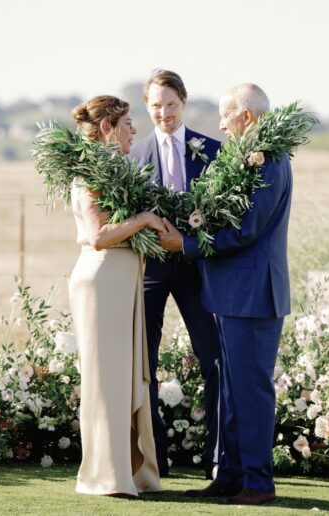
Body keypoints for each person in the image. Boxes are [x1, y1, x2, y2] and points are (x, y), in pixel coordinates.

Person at [160, 83, 293, 505]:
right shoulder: (246, 158)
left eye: (225, 115)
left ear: (247, 117)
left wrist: (186, 244)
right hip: (231, 293)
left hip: (253, 295)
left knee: (250, 391)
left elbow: (246, 230)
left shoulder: (268, 160)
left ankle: (258, 483)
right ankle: (231, 475)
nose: (219, 125)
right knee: (232, 391)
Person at [129, 70, 222, 478]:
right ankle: (156, 459)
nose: (163, 113)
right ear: (147, 107)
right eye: (155, 106)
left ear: (183, 102)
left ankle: (219, 460)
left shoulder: (214, 152)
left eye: (170, 104)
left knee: (215, 359)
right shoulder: (133, 157)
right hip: (149, 271)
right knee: (143, 363)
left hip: (198, 269)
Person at [69, 95, 163, 498]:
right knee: (107, 381)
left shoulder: (115, 168)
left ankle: (128, 467)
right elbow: (99, 235)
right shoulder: (89, 171)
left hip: (122, 285)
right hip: (102, 285)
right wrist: (143, 219)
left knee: (124, 379)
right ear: (107, 128)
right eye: (127, 123)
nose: (134, 130)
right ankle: (108, 475)